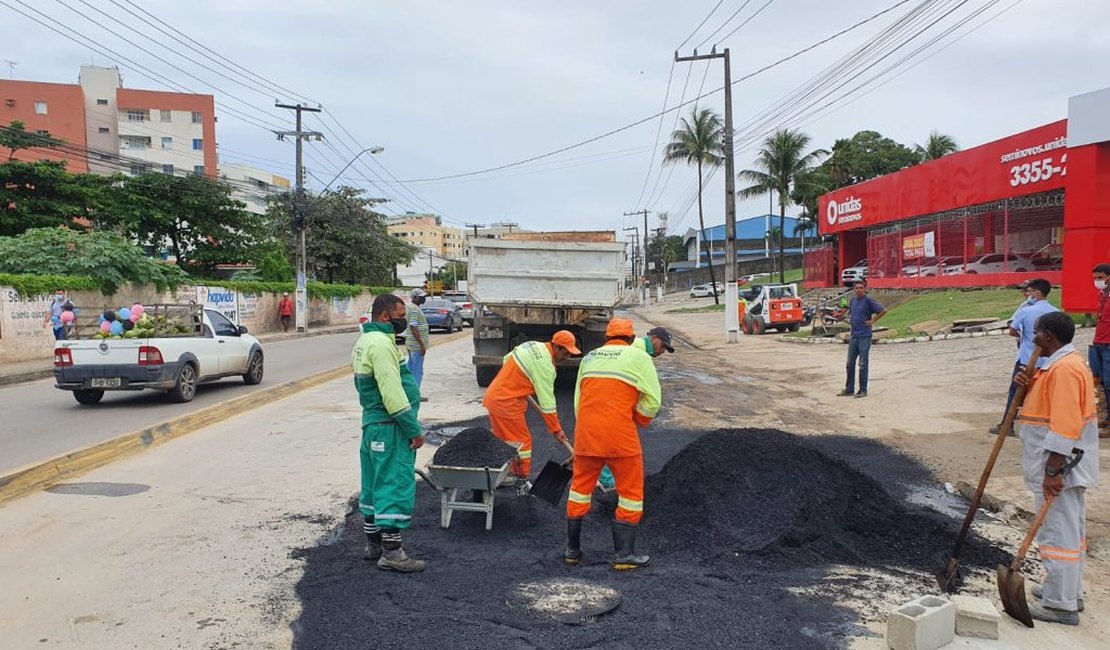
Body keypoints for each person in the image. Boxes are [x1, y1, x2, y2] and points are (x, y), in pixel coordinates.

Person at [1013, 311, 1099, 625]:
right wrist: (1027, 381)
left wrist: (1052, 471)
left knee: (1057, 531)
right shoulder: (1059, 366)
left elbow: (1064, 425)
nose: (1032, 338)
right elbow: (1045, 404)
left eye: (1036, 332)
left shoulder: (1064, 369)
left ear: (1048, 335)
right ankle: (1066, 591)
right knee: (1070, 529)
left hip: (1060, 465)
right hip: (1063, 463)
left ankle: (1060, 605)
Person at [564, 318, 661, 571]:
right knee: (630, 492)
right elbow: (653, 402)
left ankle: (572, 551)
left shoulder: (589, 358)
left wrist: (585, 432)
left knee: (579, 489)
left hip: (586, 435)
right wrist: (637, 419)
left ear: (607, 337)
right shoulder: (639, 358)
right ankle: (624, 555)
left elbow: (578, 402)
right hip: (620, 436)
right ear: (631, 339)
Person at [350, 294, 426, 573]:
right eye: (400, 316)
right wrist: (413, 429)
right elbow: (392, 394)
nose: (403, 322)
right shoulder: (381, 345)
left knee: (372, 484)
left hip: (372, 426)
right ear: (385, 316)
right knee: (393, 482)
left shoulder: (364, 342)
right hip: (389, 426)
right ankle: (392, 553)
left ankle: (374, 545)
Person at [482, 331, 581, 489]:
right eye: (565, 352)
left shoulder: (532, 345)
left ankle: (496, 475)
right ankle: (521, 480)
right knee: (522, 442)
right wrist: (556, 429)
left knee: (504, 441)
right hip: (507, 404)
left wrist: (518, 381)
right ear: (555, 346)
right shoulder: (545, 367)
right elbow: (547, 404)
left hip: (495, 398)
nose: (567, 357)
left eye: (570, 353)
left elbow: (507, 359)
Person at [993, 278, 1058, 434]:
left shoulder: (1026, 311)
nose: (1027, 294)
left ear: (1037, 292)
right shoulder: (1056, 312)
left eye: (1029, 291)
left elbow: (1012, 330)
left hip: (1026, 359)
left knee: (1016, 393)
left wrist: (1024, 337)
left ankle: (1007, 425)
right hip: (1049, 361)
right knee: (1048, 394)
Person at [838, 281, 886, 398]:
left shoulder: (868, 301)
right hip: (854, 336)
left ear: (864, 289)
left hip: (864, 336)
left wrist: (872, 321)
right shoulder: (853, 301)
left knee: (863, 364)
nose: (858, 290)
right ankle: (849, 389)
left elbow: (883, 310)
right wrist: (841, 316)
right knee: (850, 363)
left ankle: (863, 390)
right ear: (854, 289)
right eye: (856, 288)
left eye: (861, 288)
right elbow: (851, 315)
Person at [1087, 263, 1110, 437]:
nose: (1097, 281)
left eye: (1100, 277)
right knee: (1101, 383)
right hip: (1099, 343)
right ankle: (1107, 417)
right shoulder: (1102, 295)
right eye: (1095, 278)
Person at [405, 288, 430, 393]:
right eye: (421, 297)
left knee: (410, 369)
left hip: (411, 344)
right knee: (417, 370)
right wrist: (421, 345)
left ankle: (408, 392)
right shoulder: (414, 309)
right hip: (416, 346)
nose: (423, 298)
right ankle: (415, 394)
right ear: (415, 298)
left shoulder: (410, 307)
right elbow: (413, 326)